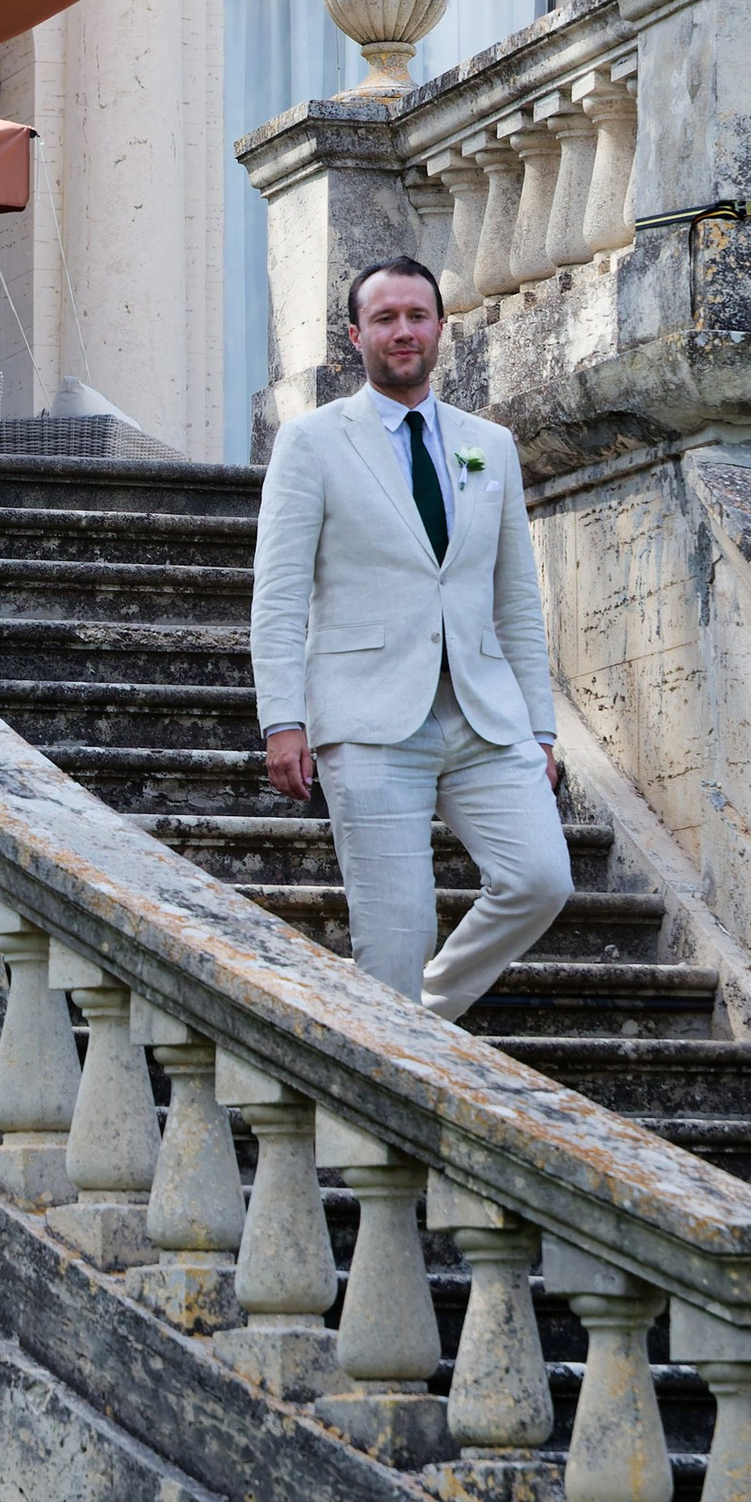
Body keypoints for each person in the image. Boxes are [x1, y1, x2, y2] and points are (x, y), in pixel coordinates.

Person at [250, 254, 570, 1020]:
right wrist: (282, 720)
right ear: (355, 335)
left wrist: (541, 726)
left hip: (484, 716)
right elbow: (280, 594)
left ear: (439, 329)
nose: (403, 332)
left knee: (540, 880)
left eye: (417, 316)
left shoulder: (487, 445)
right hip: (368, 719)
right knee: (396, 935)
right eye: (386, 319)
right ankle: (389, 1088)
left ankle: (418, 1021)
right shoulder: (313, 443)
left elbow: (517, 603)